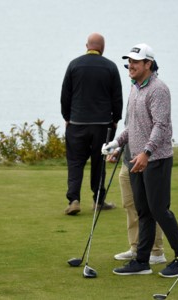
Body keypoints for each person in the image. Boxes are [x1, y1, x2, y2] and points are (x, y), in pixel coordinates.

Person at [103, 43, 178, 277]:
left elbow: (161, 126)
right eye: (129, 62)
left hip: (156, 159)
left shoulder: (158, 89)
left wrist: (146, 152)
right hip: (137, 158)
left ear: (148, 64)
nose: (130, 66)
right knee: (143, 210)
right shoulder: (135, 87)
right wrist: (117, 143)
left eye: (135, 62)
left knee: (159, 209)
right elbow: (133, 126)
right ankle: (142, 261)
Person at [61, 32, 123, 215]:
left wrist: (67, 117)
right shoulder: (111, 67)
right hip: (102, 125)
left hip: (77, 123)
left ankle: (74, 200)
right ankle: (98, 200)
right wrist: (115, 120)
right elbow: (117, 97)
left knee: (75, 162)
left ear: (86, 46)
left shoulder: (74, 65)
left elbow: (65, 95)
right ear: (102, 48)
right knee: (99, 163)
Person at [110, 145, 166, 264]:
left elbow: (156, 133)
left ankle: (157, 252)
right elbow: (129, 131)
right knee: (130, 206)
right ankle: (136, 248)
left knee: (151, 207)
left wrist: (146, 152)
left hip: (149, 161)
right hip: (128, 162)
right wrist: (118, 147)